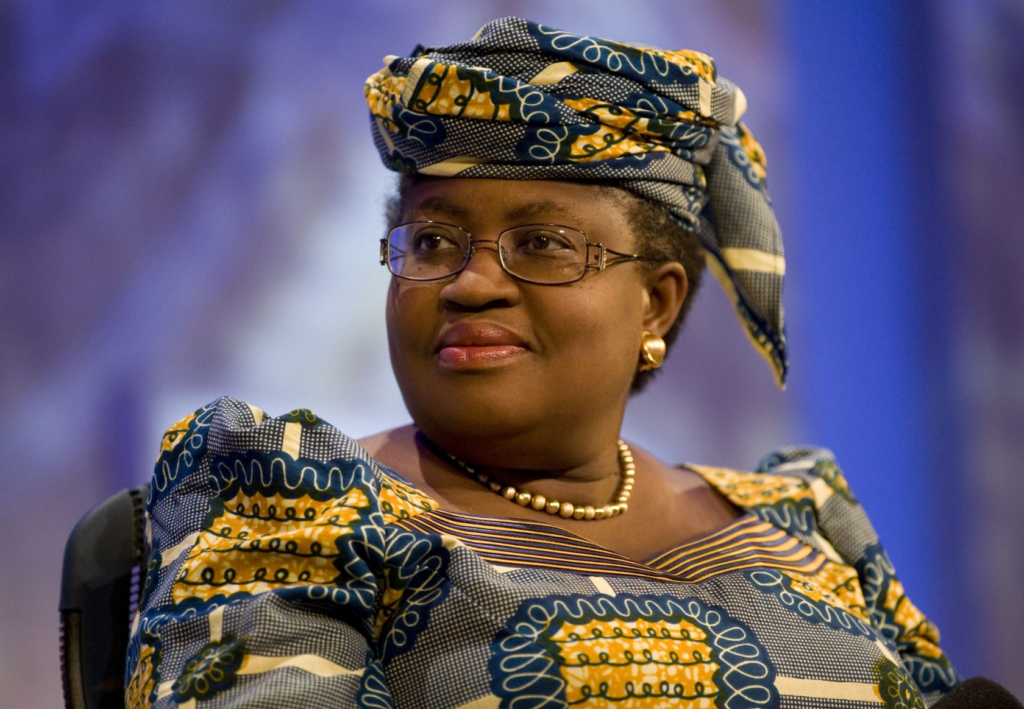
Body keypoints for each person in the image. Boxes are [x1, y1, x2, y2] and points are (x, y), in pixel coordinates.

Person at [125, 18, 959, 709]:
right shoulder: (296, 507)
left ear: (656, 303)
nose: (470, 282)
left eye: (542, 244)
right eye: (433, 241)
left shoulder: (806, 524)